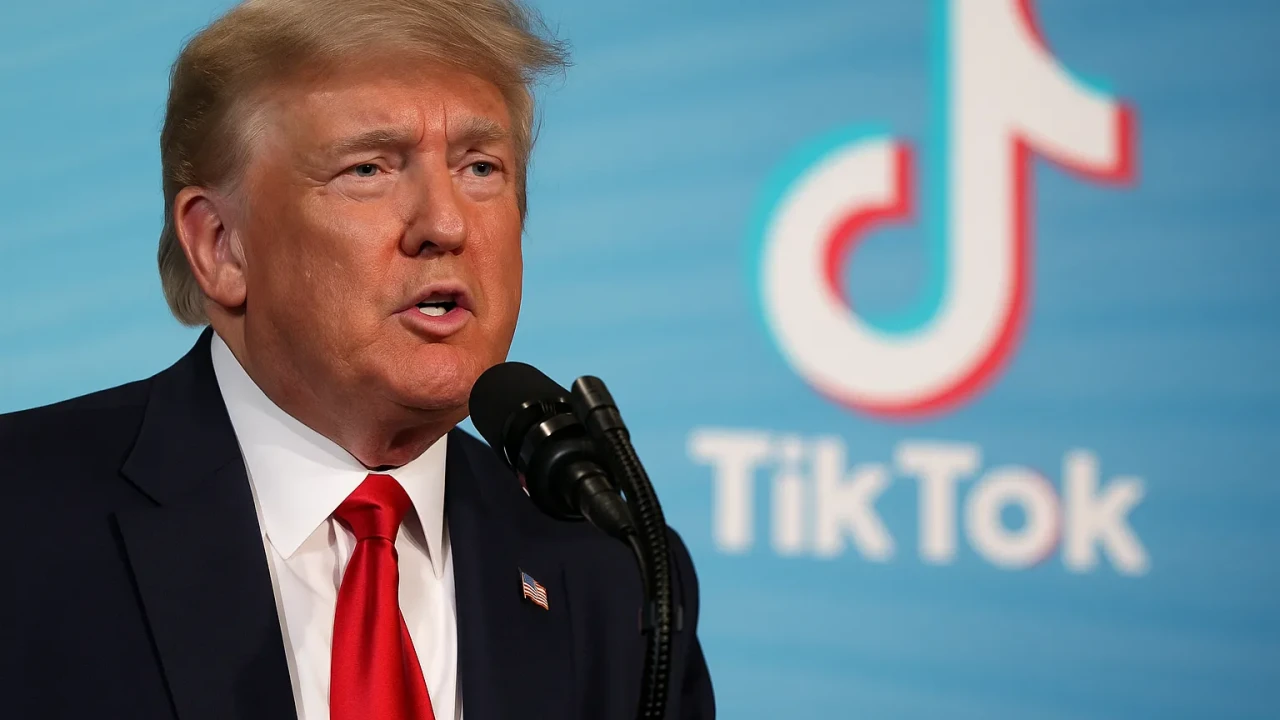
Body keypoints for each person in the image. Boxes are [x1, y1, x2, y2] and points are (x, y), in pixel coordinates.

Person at [0, 1, 715, 718]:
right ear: (222, 246)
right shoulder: (23, 515)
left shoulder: (616, 577)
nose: (445, 224)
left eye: (480, 167)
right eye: (369, 168)